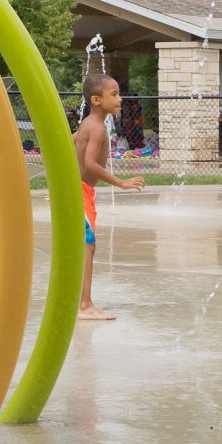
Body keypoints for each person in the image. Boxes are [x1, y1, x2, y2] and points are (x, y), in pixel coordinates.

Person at [75, 74, 146, 320]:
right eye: (114, 94)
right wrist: (121, 183)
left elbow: (73, 140)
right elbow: (90, 164)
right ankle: (84, 306)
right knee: (87, 246)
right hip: (80, 192)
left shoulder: (89, 124)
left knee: (87, 246)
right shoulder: (96, 127)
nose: (120, 99)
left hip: (83, 190)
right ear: (96, 100)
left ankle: (80, 301)